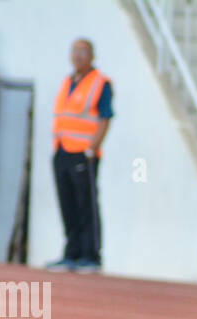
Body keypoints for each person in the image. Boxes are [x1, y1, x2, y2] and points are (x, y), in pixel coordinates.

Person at [46, 38, 112, 274]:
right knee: (67, 204)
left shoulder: (100, 83)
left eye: (83, 52)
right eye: (74, 51)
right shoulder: (68, 81)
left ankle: (91, 255)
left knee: (87, 205)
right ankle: (71, 253)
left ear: (92, 56)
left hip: (84, 154)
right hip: (62, 149)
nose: (77, 56)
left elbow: (105, 118)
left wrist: (92, 149)